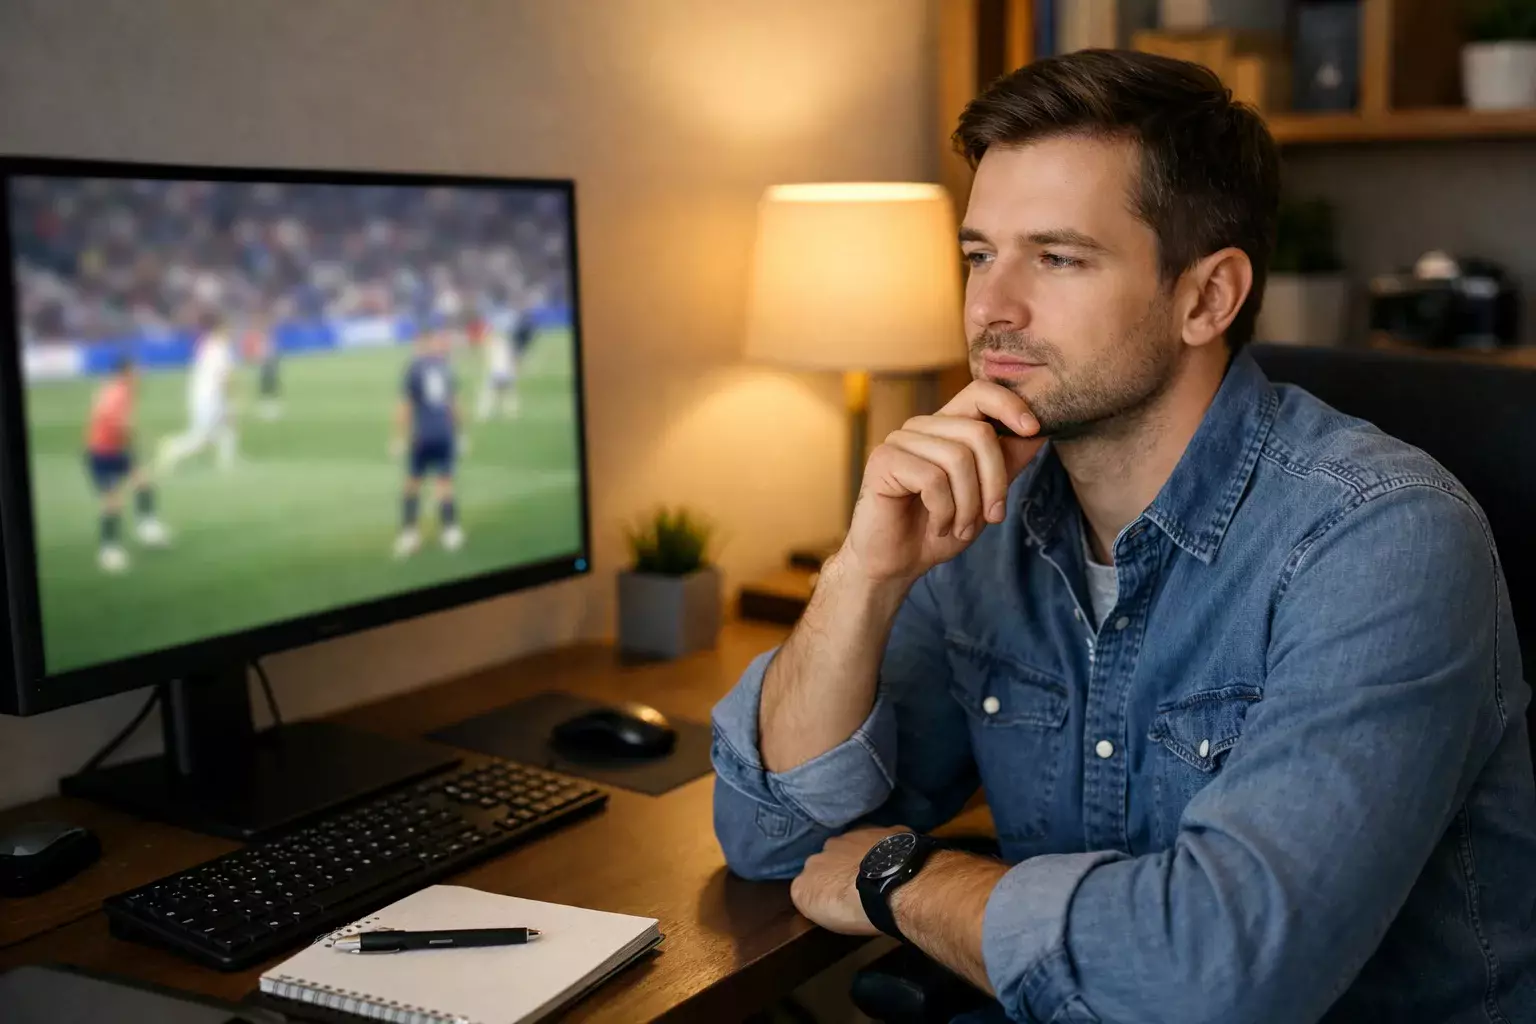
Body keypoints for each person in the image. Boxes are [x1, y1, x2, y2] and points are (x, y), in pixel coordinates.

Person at [710, 50, 1536, 1024]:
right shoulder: (984, 512)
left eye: (1056, 257)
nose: (991, 307)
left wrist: (905, 878)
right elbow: (774, 837)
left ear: (1207, 297)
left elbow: (1219, 977)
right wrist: (863, 572)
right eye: (980, 254)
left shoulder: (1383, 539)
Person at [84, 357, 170, 573]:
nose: (141, 373)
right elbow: (116, 421)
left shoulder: (117, 389)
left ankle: (147, 528)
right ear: (126, 372)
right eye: (136, 370)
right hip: (103, 452)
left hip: (118, 450)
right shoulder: (118, 392)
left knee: (143, 482)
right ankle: (109, 550)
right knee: (113, 502)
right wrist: (144, 437)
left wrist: (132, 439)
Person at [393, 318, 463, 557]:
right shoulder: (445, 367)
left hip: (422, 435)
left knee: (412, 484)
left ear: (418, 343)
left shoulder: (413, 368)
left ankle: (410, 534)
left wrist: (400, 438)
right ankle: (450, 532)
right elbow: (455, 406)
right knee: (445, 483)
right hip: (445, 433)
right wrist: (460, 434)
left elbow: (405, 407)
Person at [156, 312, 238, 473]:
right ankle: (172, 448)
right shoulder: (220, 349)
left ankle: (227, 465)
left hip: (201, 394)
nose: (232, 332)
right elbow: (224, 378)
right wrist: (231, 399)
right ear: (221, 329)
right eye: (229, 329)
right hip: (210, 397)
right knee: (201, 438)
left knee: (226, 429)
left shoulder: (208, 345)